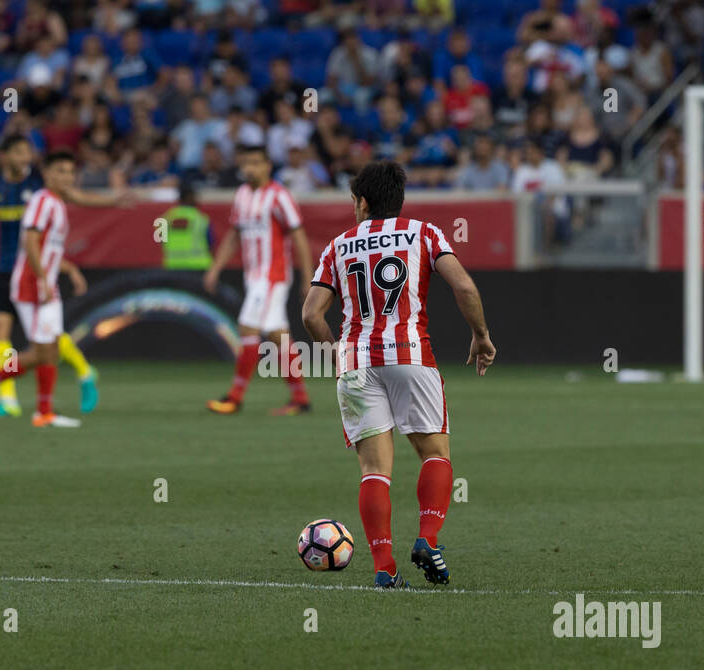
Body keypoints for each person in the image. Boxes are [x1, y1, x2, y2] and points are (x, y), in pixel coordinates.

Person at [301, 160, 495, 588]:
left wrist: (336, 353)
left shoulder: (337, 246)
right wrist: (480, 335)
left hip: (356, 362)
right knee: (435, 455)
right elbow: (463, 286)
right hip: (410, 354)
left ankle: (384, 569)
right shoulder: (424, 233)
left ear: (363, 202)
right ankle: (427, 538)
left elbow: (311, 314)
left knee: (374, 471)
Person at [0, 135, 100, 417]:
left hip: (33, 269)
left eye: (28, 152)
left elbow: (68, 202)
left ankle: (84, 374)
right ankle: (9, 399)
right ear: (4, 156)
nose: (25, 157)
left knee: (48, 343)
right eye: (18, 152)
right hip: (9, 270)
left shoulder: (39, 183)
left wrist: (109, 201)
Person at [0, 150, 86, 428]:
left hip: (48, 283)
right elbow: (30, 241)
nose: (66, 177)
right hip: (32, 284)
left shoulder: (57, 203)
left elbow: (50, 248)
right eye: (60, 170)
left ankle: (44, 412)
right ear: (45, 173)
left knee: (52, 349)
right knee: (42, 351)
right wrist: (43, 279)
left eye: (70, 172)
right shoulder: (41, 201)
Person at [202, 144, 314, 416]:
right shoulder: (242, 194)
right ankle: (300, 399)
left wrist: (308, 277)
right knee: (277, 335)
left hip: (272, 275)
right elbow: (234, 234)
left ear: (267, 166)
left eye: (255, 162)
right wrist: (216, 267)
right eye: (245, 163)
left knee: (248, 327)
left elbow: (298, 236)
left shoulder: (279, 196)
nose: (249, 168)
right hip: (253, 276)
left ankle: (234, 397)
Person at [161, 184, 213, 271]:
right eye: (195, 196)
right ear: (189, 197)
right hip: (198, 266)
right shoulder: (201, 219)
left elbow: (161, 241)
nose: (197, 200)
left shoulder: (166, 218)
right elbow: (211, 243)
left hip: (173, 266)